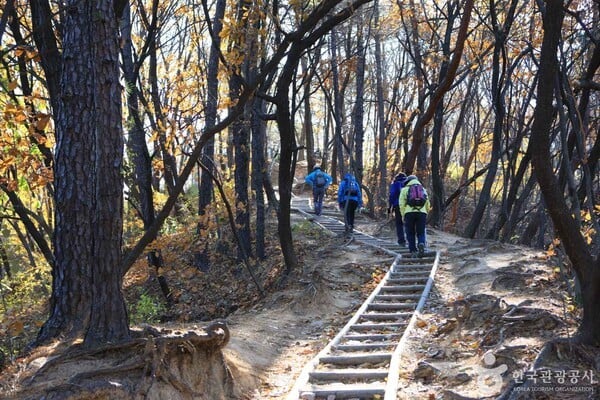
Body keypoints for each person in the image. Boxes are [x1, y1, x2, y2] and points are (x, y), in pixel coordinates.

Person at [399, 175, 430, 257]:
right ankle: (421, 243)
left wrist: (403, 215)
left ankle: (413, 250)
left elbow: (401, 204)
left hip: (409, 213)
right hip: (422, 213)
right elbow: (427, 203)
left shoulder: (404, 189)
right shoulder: (423, 189)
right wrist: (426, 212)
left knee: (410, 232)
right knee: (421, 231)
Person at [388, 173, 408, 246]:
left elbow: (392, 195)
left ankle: (401, 241)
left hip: (398, 205)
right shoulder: (408, 184)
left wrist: (390, 206)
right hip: (408, 206)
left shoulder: (395, 184)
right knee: (408, 223)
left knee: (399, 223)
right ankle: (409, 239)